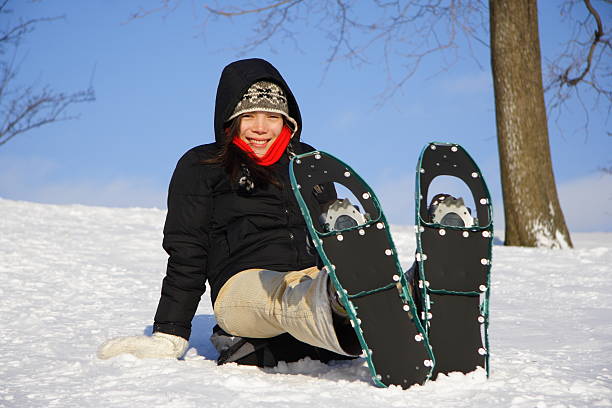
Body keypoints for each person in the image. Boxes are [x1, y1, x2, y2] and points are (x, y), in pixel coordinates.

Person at [98, 58, 360, 366]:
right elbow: (188, 253)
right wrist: (170, 332)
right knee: (281, 295)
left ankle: (407, 293)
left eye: (272, 117)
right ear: (231, 119)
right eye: (248, 115)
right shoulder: (203, 166)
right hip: (241, 290)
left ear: (288, 122)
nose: (260, 128)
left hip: (309, 277)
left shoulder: (307, 164)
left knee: (324, 279)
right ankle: (338, 303)